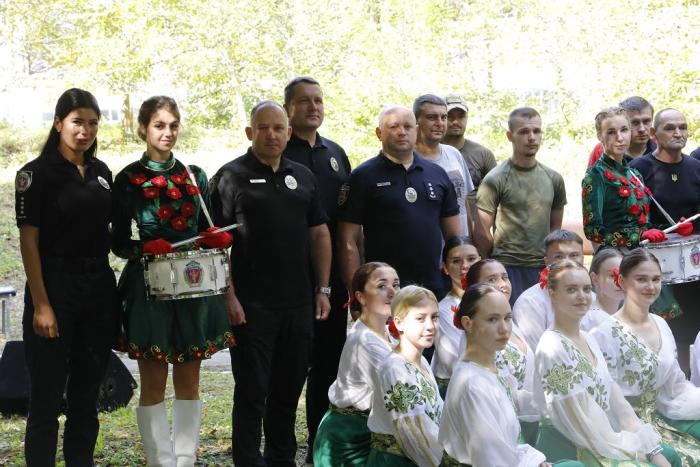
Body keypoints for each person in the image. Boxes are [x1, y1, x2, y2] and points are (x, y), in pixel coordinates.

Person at [111, 96, 233, 466]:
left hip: (194, 287)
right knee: (153, 383)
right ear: (143, 128)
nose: (168, 132)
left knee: (189, 382)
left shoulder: (195, 175)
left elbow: (207, 228)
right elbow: (118, 242)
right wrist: (143, 247)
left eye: (173, 125)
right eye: (159, 125)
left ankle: (184, 460)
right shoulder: (128, 179)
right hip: (150, 289)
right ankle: (159, 461)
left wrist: (214, 238)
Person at [209, 101, 332, 467]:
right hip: (251, 307)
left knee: (288, 390)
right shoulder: (230, 177)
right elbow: (215, 246)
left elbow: (319, 234)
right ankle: (247, 460)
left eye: (278, 128)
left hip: (298, 303)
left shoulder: (302, 176)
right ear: (250, 132)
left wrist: (323, 289)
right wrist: (229, 297)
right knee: (252, 392)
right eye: (263, 128)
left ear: (289, 133)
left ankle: (281, 458)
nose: (271, 134)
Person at [15, 88, 117, 466]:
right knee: (46, 396)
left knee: (87, 397)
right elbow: (29, 242)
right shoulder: (35, 174)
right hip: (55, 287)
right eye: (76, 122)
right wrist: (42, 304)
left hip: (98, 289)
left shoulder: (101, 173)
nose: (84, 131)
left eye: (92, 123)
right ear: (58, 123)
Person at [534, 260, 679, 466]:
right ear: (552, 294)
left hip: (602, 437)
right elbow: (581, 421)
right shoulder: (552, 347)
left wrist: (648, 446)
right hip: (574, 447)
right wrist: (633, 452)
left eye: (586, 289)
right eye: (571, 290)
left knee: (667, 456)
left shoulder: (587, 338)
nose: (582, 296)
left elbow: (615, 399)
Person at [281, 76, 352, 460]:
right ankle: (280, 447)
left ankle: (318, 446)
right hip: (289, 278)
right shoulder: (277, 149)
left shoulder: (335, 154)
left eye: (318, 100)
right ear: (288, 108)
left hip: (332, 282)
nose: (313, 107)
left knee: (328, 365)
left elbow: (348, 222)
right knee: (290, 368)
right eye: (304, 101)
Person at [439, 284, 582, 467]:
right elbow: (491, 460)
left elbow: (506, 439)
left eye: (507, 318)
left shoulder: (488, 369)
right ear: (468, 323)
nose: (504, 328)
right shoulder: (473, 384)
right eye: (492, 319)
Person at [338, 105, 461, 301]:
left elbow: (455, 238)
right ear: (379, 133)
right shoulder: (363, 176)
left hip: (434, 288)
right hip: (383, 292)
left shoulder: (437, 174)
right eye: (394, 127)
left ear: (417, 131)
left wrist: (459, 284)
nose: (402, 132)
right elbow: (347, 241)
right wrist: (356, 294)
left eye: (407, 126)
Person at [591, 249, 700, 465]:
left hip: (661, 416)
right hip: (627, 427)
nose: (650, 286)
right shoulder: (604, 333)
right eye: (641, 279)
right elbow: (607, 400)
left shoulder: (660, 323)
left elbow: (676, 384)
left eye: (656, 279)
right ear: (622, 281)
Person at [581, 106, 684, 322]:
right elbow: (593, 231)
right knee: (623, 326)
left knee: (656, 324)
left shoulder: (634, 173)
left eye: (624, 130)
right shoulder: (596, 175)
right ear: (600, 135)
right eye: (611, 132)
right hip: (615, 265)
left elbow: (642, 223)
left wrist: (674, 229)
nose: (620, 137)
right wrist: (639, 237)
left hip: (644, 261)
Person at [630, 108, 700, 373]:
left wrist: (693, 227)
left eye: (682, 127)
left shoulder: (696, 168)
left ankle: (688, 379)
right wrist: (647, 231)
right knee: (660, 329)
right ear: (653, 133)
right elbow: (629, 217)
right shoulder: (638, 169)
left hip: (693, 265)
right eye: (670, 128)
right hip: (654, 266)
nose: (677, 133)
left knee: (690, 329)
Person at [476, 107, 567, 304]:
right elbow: (482, 231)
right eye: (524, 132)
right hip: (507, 268)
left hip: (542, 267)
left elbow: (555, 229)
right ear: (510, 136)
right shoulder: (495, 179)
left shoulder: (554, 178)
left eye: (536, 131)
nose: (532, 137)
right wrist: (492, 268)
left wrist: (551, 262)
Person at [313, 262, 400, 466]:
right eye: (382, 286)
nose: (392, 292)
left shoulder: (388, 333)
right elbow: (399, 390)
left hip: (368, 430)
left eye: (396, 285)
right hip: (348, 439)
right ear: (360, 297)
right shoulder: (365, 341)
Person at [463, 259, 539, 445]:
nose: (502, 284)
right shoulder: (477, 338)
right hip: (502, 426)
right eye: (492, 279)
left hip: (527, 419)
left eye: (505, 277)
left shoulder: (511, 325)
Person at [366, 286, 443, 467]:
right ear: (399, 323)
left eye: (434, 317)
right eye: (420, 318)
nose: (430, 326)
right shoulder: (395, 368)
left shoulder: (422, 361)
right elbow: (413, 432)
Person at [513, 230, 589, 351]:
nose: (567, 262)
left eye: (574, 255)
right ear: (546, 261)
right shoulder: (529, 303)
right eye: (559, 257)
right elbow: (536, 352)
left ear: (583, 259)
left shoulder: (591, 298)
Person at [413, 94, 475, 239]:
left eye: (443, 117)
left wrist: (470, 240)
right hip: (428, 244)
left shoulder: (454, 154)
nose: (440, 123)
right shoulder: (408, 159)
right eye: (431, 117)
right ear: (416, 121)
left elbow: (464, 201)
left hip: (459, 244)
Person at [431, 236, 480, 397]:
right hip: (458, 389)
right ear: (445, 268)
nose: (465, 266)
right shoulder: (443, 310)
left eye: (471, 259)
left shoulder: (491, 300)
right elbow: (455, 363)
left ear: (480, 261)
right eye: (456, 261)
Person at [441, 94, 497, 192]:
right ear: (441, 118)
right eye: (450, 116)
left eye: (461, 116)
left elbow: (496, 193)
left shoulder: (483, 155)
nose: (455, 121)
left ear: (467, 118)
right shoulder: (428, 152)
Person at [586, 96, 656, 167]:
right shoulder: (600, 150)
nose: (642, 129)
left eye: (646, 121)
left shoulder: (660, 147)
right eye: (634, 123)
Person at [587, 248, 623, 317]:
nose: (620, 282)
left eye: (624, 275)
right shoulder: (589, 318)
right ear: (595, 279)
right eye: (612, 275)